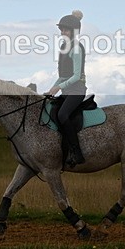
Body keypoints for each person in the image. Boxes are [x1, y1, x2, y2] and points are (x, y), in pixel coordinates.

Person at [47, 10, 87, 167]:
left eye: (66, 29)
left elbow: (76, 76)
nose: (63, 32)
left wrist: (59, 87)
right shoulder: (64, 47)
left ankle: (77, 152)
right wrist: (52, 88)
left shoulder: (76, 48)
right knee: (52, 111)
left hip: (77, 91)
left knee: (63, 114)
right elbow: (63, 75)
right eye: (61, 29)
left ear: (74, 31)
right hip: (66, 90)